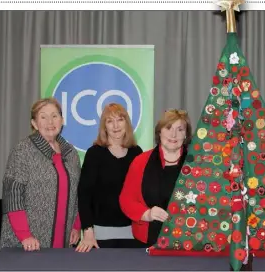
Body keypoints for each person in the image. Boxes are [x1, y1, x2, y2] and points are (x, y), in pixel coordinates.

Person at [0, 97, 81, 251]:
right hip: (27, 243)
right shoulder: (23, 150)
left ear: (62, 120)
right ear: (34, 123)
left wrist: (76, 226)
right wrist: (24, 235)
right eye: (43, 117)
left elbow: (77, 193)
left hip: (62, 242)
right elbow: (13, 196)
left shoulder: (71, 154)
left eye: (54, 116)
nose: (50, 122)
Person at [76, 103, 144, 252]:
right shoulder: (94, 154)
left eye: (120, 119)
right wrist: (87, 231)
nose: (115, 125)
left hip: (133, 233)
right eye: (109, 121)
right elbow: (84, 195)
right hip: (100, 235)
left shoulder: (137, 153)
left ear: (126, 123)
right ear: (104, 127)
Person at [119, 109, 192, 246]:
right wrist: (147, 214)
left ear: (186, 135)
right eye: (168, 128)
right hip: (147, 241)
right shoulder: (140, 162)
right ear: (159, 132)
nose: (173, 134)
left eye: (180, 129)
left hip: (188, 241)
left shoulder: (196, 165)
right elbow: (126, 200)